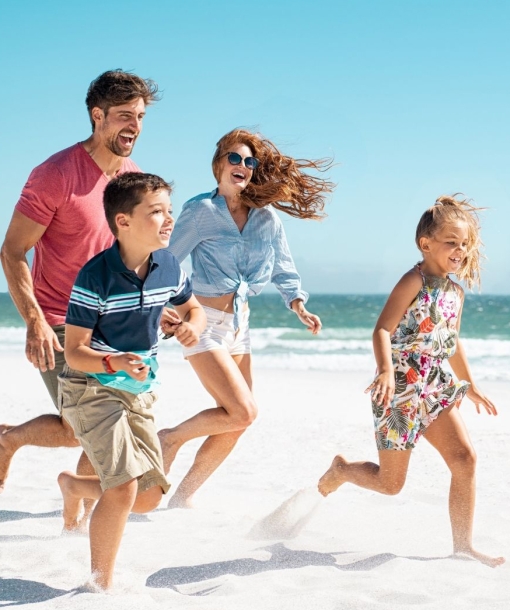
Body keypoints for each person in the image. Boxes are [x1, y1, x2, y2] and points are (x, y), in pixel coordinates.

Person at [317, 195, 504, 567]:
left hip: (434, 383)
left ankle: (463, 546)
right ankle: (342, 470)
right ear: (426, 244)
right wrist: (386, 370)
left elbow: (450, 344)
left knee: (464, 459)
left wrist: (472, 383)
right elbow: (382, 330)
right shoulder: (413, 280)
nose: (460, 250)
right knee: (391, 485)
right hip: (399, 387)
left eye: (464, 244)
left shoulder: (455, 292)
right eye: (451, 242)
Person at [0, 70, 160, 495]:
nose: (135, 126)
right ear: (98, 116)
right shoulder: (55, 174)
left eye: (141, 116)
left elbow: (137, 251)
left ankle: (78, 506)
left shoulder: (131, 177)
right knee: (86, 426)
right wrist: (34, 321)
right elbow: (13, 251)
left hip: (113, 324)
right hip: (60, 320)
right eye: (125, 115)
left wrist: (164, 306)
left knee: (96, 423)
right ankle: (9, 441)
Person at [159, 128, 333, 508]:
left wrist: (298, 304)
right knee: (242, 409)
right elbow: (165, 260)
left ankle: (183, 496)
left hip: (240, 326)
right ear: (219, 164)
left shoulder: (266, 218)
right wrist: (161, 306)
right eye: (234, 158)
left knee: (239, 420)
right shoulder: (200, 212)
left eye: (249, 161)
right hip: (201, 321)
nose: (242, 166)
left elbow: (284, 268)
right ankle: (169, 438)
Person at [56, 173, 205, 590]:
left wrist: (192, 324)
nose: (168, 220)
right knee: (122, 488)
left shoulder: (169, 265)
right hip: (91, 386)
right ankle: (98, 585)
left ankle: (74, 486)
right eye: (156, 212)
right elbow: (74, 351)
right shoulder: (94, 277)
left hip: (139, 389)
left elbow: (193, 309)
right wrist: (114, 361)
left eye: (169, 211)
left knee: (149, 496)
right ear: (122, 222)